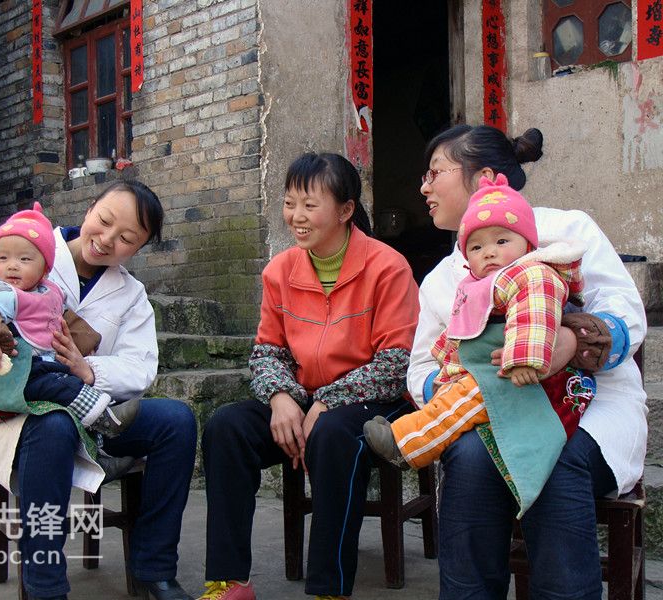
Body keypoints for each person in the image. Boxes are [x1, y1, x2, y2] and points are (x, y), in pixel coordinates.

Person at [0, 180, 197, 600]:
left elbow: (141, 369)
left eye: (125, 239)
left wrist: (87, 368)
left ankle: (155, 571)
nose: (106, 240)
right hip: (16, 413)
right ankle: (46, 588)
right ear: (89, 210)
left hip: (95, 408)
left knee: (176, 421)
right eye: (103, 222)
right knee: (53, 426)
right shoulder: (23, 249)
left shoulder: (132, 295)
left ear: (137, 249)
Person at [406, 124, 646, 599]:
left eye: (435, 173)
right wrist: (466, 389)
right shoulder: (440, 279)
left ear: (485, 177)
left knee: (552, 456)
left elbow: (627, 317)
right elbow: (419, 370)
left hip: (591, 410)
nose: (424, 187)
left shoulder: (568, 232)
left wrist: (572, 343)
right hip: (488, 420)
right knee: (470, 459)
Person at [198, 152, 420, 600]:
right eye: (289, 203)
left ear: (345, 210)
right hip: (302, 393)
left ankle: (329, 589)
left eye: (309, 205)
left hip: (375, 398)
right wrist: (281, 397)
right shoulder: (280, 270)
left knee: (333, 435)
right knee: (226, 427)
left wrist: (325, 402)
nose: (296, 217)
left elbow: (396, 364)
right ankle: (230, 581)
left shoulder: (387, 266)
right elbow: (267, 352)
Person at [365, 174, 590, 480]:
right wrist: (447, 366)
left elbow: (535, 312)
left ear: (527, 244)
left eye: (502, 240)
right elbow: (460, 330)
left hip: (525, 378)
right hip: (495, 373)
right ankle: (408, 439)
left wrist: (525, 358)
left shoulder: (533, 273)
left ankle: (406, 445)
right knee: (456, 400)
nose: (489, 252)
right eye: (476, 246)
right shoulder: (476, 285)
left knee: (461, 405)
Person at [0, 201, 139, 436]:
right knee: (58, 385)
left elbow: (62, 319)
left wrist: (87, 343)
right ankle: (101, 416)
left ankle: (97, 435)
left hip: (44, 363)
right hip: (15, 371)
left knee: (64, 379)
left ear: (45, 269)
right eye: (2, 258)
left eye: (25, 260)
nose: (12, 266)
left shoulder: (48, 292)